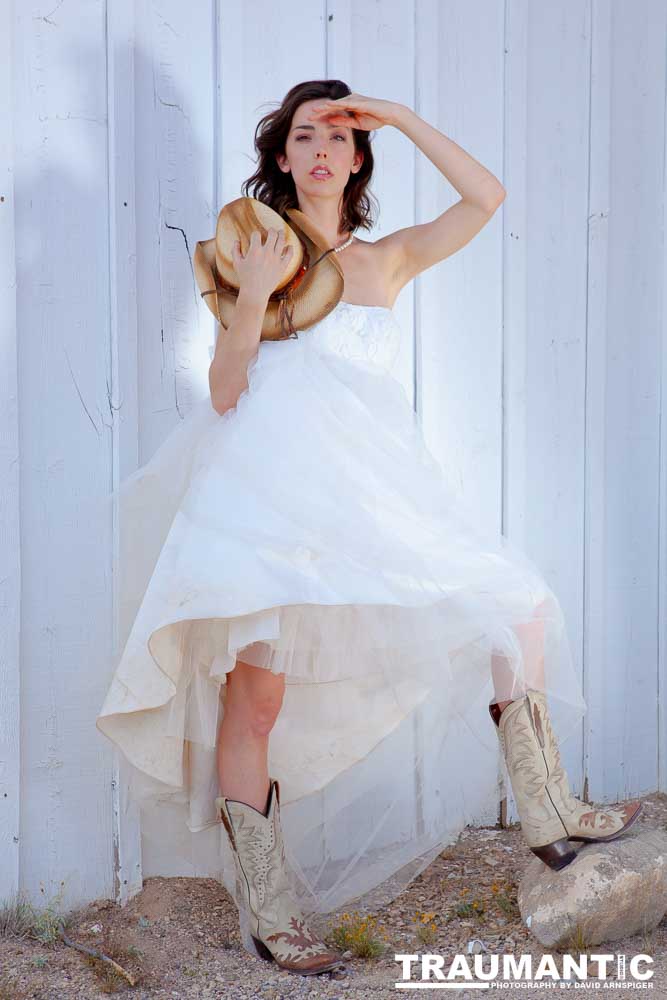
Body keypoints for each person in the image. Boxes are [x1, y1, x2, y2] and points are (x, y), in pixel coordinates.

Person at [96, 79, 642, 978]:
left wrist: (398, 117)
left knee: (521, 606)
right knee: (256, 696)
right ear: (281, 156)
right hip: (267, 501)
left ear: (355, 161)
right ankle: (269, 914)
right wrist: (257, 291)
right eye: (303, 136)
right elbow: (225, 393)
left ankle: (545, 812)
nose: (319, 150)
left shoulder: (385, 262)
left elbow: (486, 199)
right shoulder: (251, 251)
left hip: (371, 500)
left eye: (338, 139)